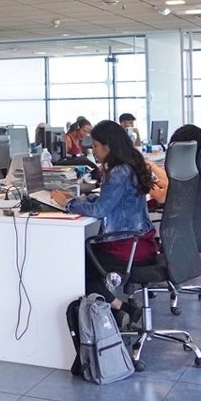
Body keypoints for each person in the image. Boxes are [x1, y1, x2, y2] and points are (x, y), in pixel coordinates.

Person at [49, 121, 153, 325]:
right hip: (140, 242)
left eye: (96, 145)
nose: (93, 150)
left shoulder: (119, 172)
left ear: (108, 146)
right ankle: (119, 310)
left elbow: (100, 211)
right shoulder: (129, 166)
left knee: (74, 265)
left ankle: (120, 309)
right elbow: (110, 201)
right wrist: (80, 199)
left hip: (127, 247)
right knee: (84, 262)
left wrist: (67, 203)